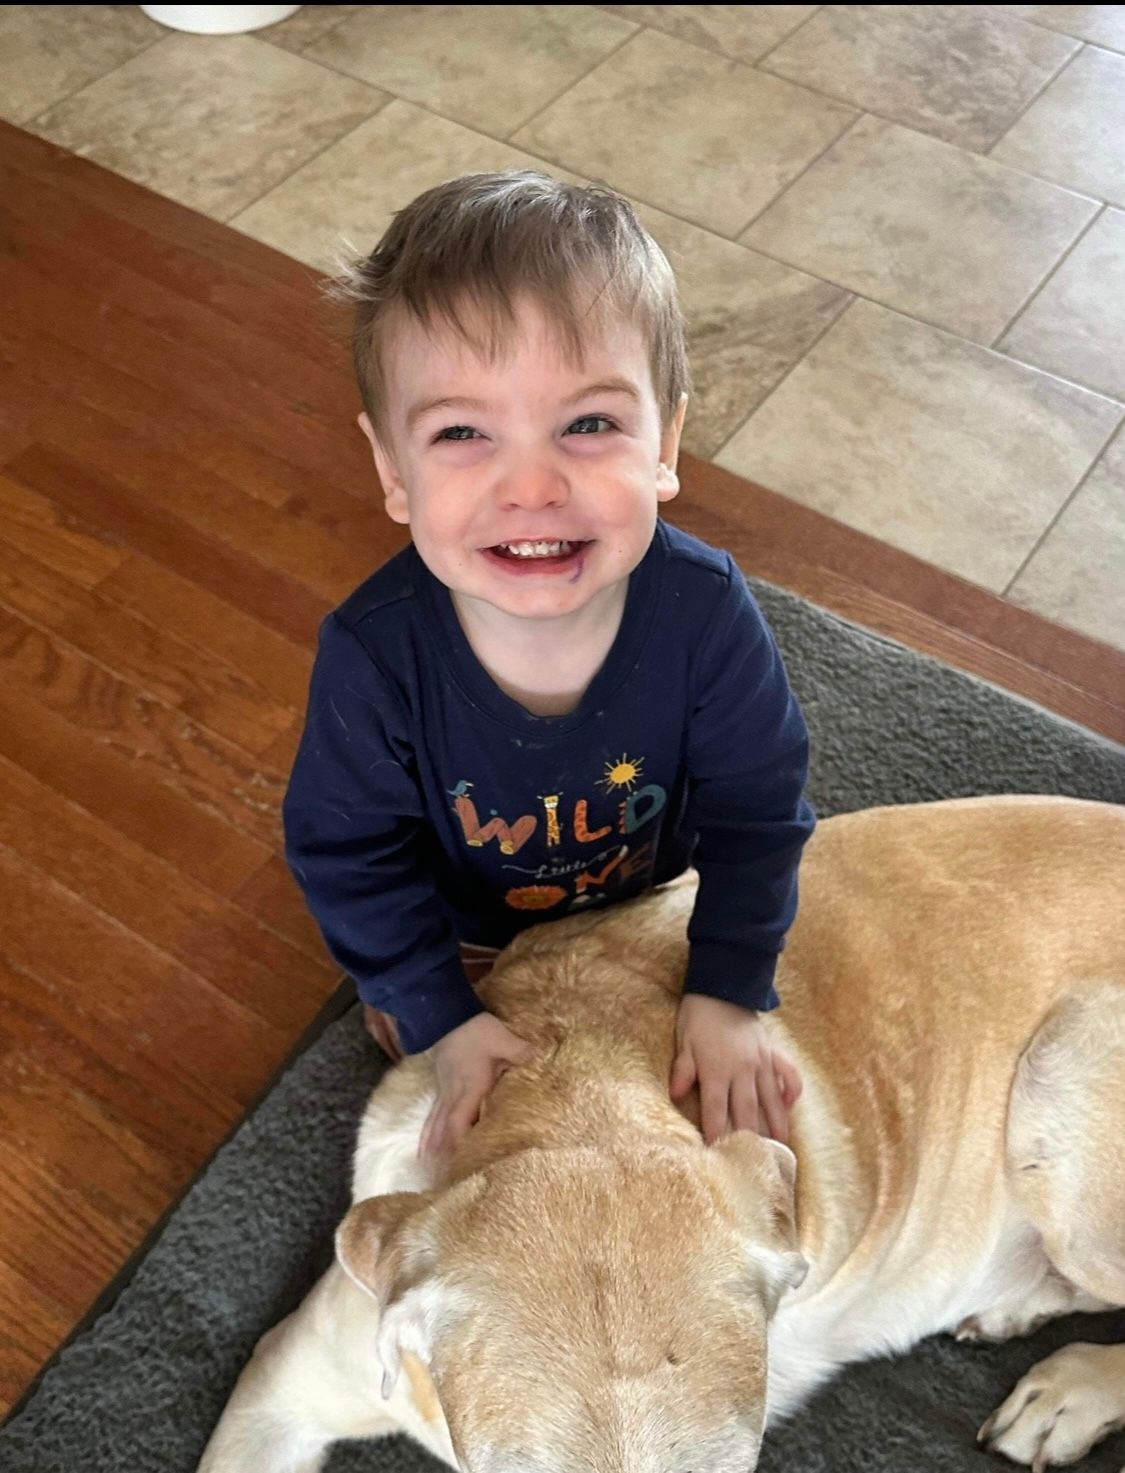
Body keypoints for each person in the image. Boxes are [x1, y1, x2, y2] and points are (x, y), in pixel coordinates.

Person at [283, 170, 816, 1161]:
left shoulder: (705, 612)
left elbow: (761, 809)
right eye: (461, 434)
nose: (531, 486)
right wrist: (436, 1006)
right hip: (476, 938)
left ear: (668, 444)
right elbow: (347, 857)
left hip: (661, 903)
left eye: (588, 424)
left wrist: (729, 986)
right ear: (392, 472)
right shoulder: (375, 655)